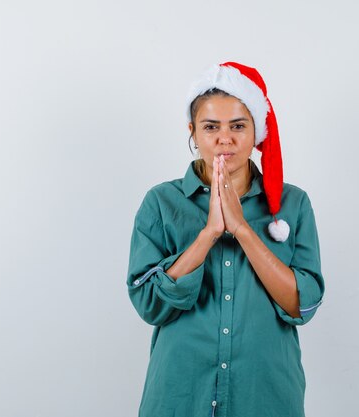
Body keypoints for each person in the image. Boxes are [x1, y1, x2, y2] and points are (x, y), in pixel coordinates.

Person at [126, 62, 325, 417]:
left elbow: (303, 306)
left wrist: (243, 230)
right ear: (193, 131)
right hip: (179, 396)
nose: (225, 139)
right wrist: (209, 234)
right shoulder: (160, 202)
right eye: (210, 127)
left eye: (238, 126)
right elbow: (148, 303)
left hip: (265, 397)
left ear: (256, 132)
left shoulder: (294, 204)